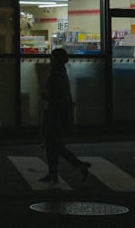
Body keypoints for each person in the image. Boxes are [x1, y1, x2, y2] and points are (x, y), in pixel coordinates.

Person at [40, 48, 90, 183]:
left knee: (54, 145)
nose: (50, 60)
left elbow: (54, 96)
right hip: (60, 113)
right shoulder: (61, 73)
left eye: (52, 57)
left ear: (56, 60)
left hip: (55, 113)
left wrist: (44, 95)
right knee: (55, 145)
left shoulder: (56, 75)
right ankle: (56, 172)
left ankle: (73, 166)